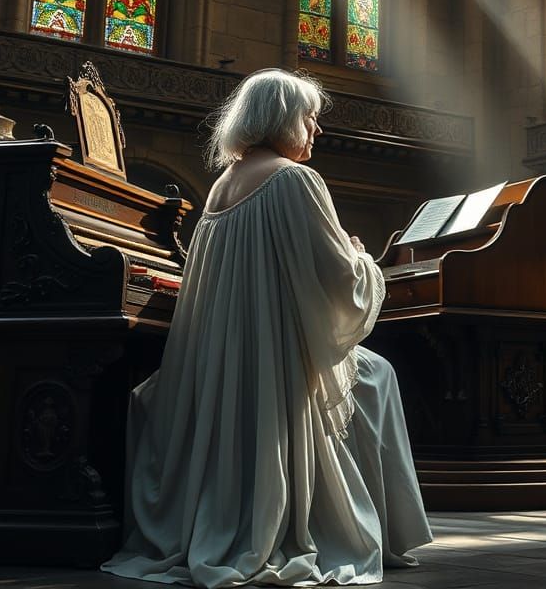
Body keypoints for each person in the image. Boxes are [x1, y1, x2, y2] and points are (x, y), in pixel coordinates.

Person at [103, 69, 432, 586]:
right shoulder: (294, 179)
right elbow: (338, 285)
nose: (316, 131)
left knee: (371, 374)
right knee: (379, 374)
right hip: (277, 357)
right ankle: (386, 534)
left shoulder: (219, 187)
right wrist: (363, 259)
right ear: (279, 117)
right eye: (310, 118)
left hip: (225, 358)